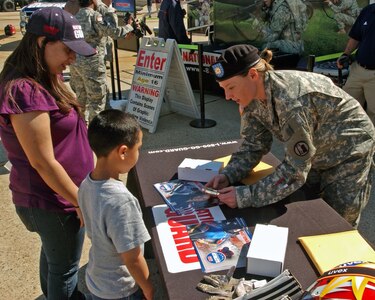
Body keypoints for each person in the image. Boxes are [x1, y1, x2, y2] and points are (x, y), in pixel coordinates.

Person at [207, 44, 375, 228]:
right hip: (318, 147)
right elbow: (253, 144)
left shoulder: (291, 101)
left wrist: (245, 196)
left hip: (350, 149)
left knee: (337, 220)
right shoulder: (250, 98)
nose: (227, 96)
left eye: (231, 87)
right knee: (305, 203)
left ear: (253, 75)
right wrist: (229, 175)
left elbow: (295, 171)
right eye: (223, 88)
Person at [0, 7, 96, 299]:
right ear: (42, 43)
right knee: (65, 269)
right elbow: (42, 161)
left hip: (57, 197)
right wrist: (79, 200)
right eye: (67, 50)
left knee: (57, 262)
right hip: (53, 199)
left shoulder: (41, 78)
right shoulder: (25, 91)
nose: (72, 58)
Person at [78, 109, 154, 300]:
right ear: (123, 151)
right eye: (138, 148)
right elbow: (133, 258)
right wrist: (148, 288)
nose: (139, 153)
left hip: (98, 281)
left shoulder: (86, 184)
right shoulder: (121, 201)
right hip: (120, 289)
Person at [69, 0, 135, 123]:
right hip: (91, 64)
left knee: (81, 99)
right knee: (97, 101)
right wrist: (129, 26)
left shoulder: (74, 17)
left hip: (76, 63)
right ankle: (95, 135)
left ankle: (80, 128)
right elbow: (113, 31)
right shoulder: (94, 16)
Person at [337, 3, 375, 124]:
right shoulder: (368, 10)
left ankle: (370, 142)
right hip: (357, 70)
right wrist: (345, 54)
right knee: (347, 106)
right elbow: (355, 36)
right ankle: (350, 139)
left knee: (373, 114)